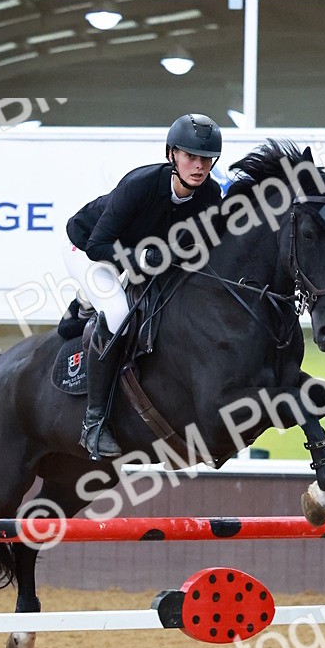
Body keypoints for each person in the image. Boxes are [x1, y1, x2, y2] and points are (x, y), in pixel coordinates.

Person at [66, 113, 223, 460]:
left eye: (206, 159)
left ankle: (86, 302)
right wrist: (141, 256)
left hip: (143, 258)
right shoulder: (140, 184)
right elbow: (97, 245)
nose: (199, 166)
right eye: (190, 157)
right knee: (119, 312)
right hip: (90, 250)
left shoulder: (210, 195)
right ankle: (93, 424)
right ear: (172, 155)